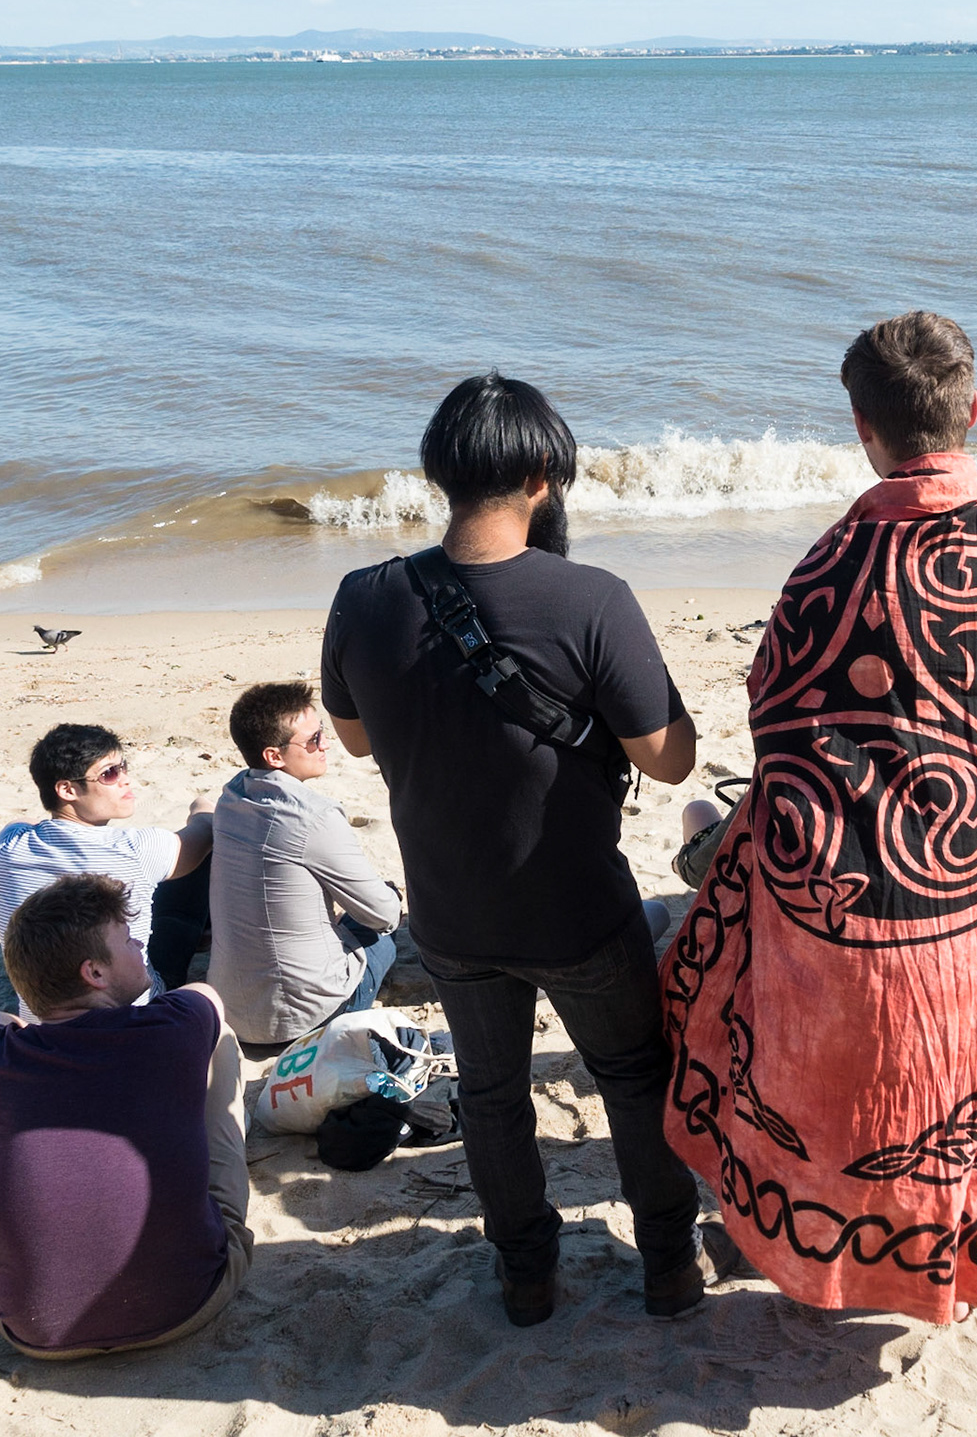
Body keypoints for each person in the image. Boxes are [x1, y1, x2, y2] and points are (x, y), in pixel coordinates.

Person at [660, 312, 977, 1325]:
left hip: (868, 950)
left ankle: (809, 1238)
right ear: (972, 411)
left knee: (729, 975)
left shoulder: (827, 569)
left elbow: (784, 745)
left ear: (862, 427)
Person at [321, 372, 726, 1326]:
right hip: (578, 905)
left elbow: (353, 739)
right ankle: (667, 1264)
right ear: (545, 473)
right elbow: (670, 764)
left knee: (493, 1095)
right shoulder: (590, 595)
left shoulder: (365, 594)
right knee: (632, 1077)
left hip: (452, 911)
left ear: (437, 472)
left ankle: (526, 1275)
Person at [0, 873, 252, 1358]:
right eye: (128, 940)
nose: (140, 946)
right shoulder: (172, 1028)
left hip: (33, 1332)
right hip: (190, 1302)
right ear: (95, 973)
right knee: (219, 1039)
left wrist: (23, 1026)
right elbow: (208, 998)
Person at [207, 680, 403, 1049]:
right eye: (313, 740)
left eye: (322, 733)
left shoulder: (231, 797)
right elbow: (384, 915)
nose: (325, 744)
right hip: (306, 1019)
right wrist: (389, 897)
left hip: (233, 1011)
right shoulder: (315, 818)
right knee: (384, 928)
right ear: (274, 757)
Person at [0, 722, 213, 999]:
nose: (125, 780)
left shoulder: (9, 846)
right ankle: (203, 933)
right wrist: (201, 805)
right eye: (109, 774)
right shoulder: (135, 849)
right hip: (136, 1002)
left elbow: (20, 822)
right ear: (67, 790)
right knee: (194, 866)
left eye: (124, 766)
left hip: (44, 1013)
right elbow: (204, 832)